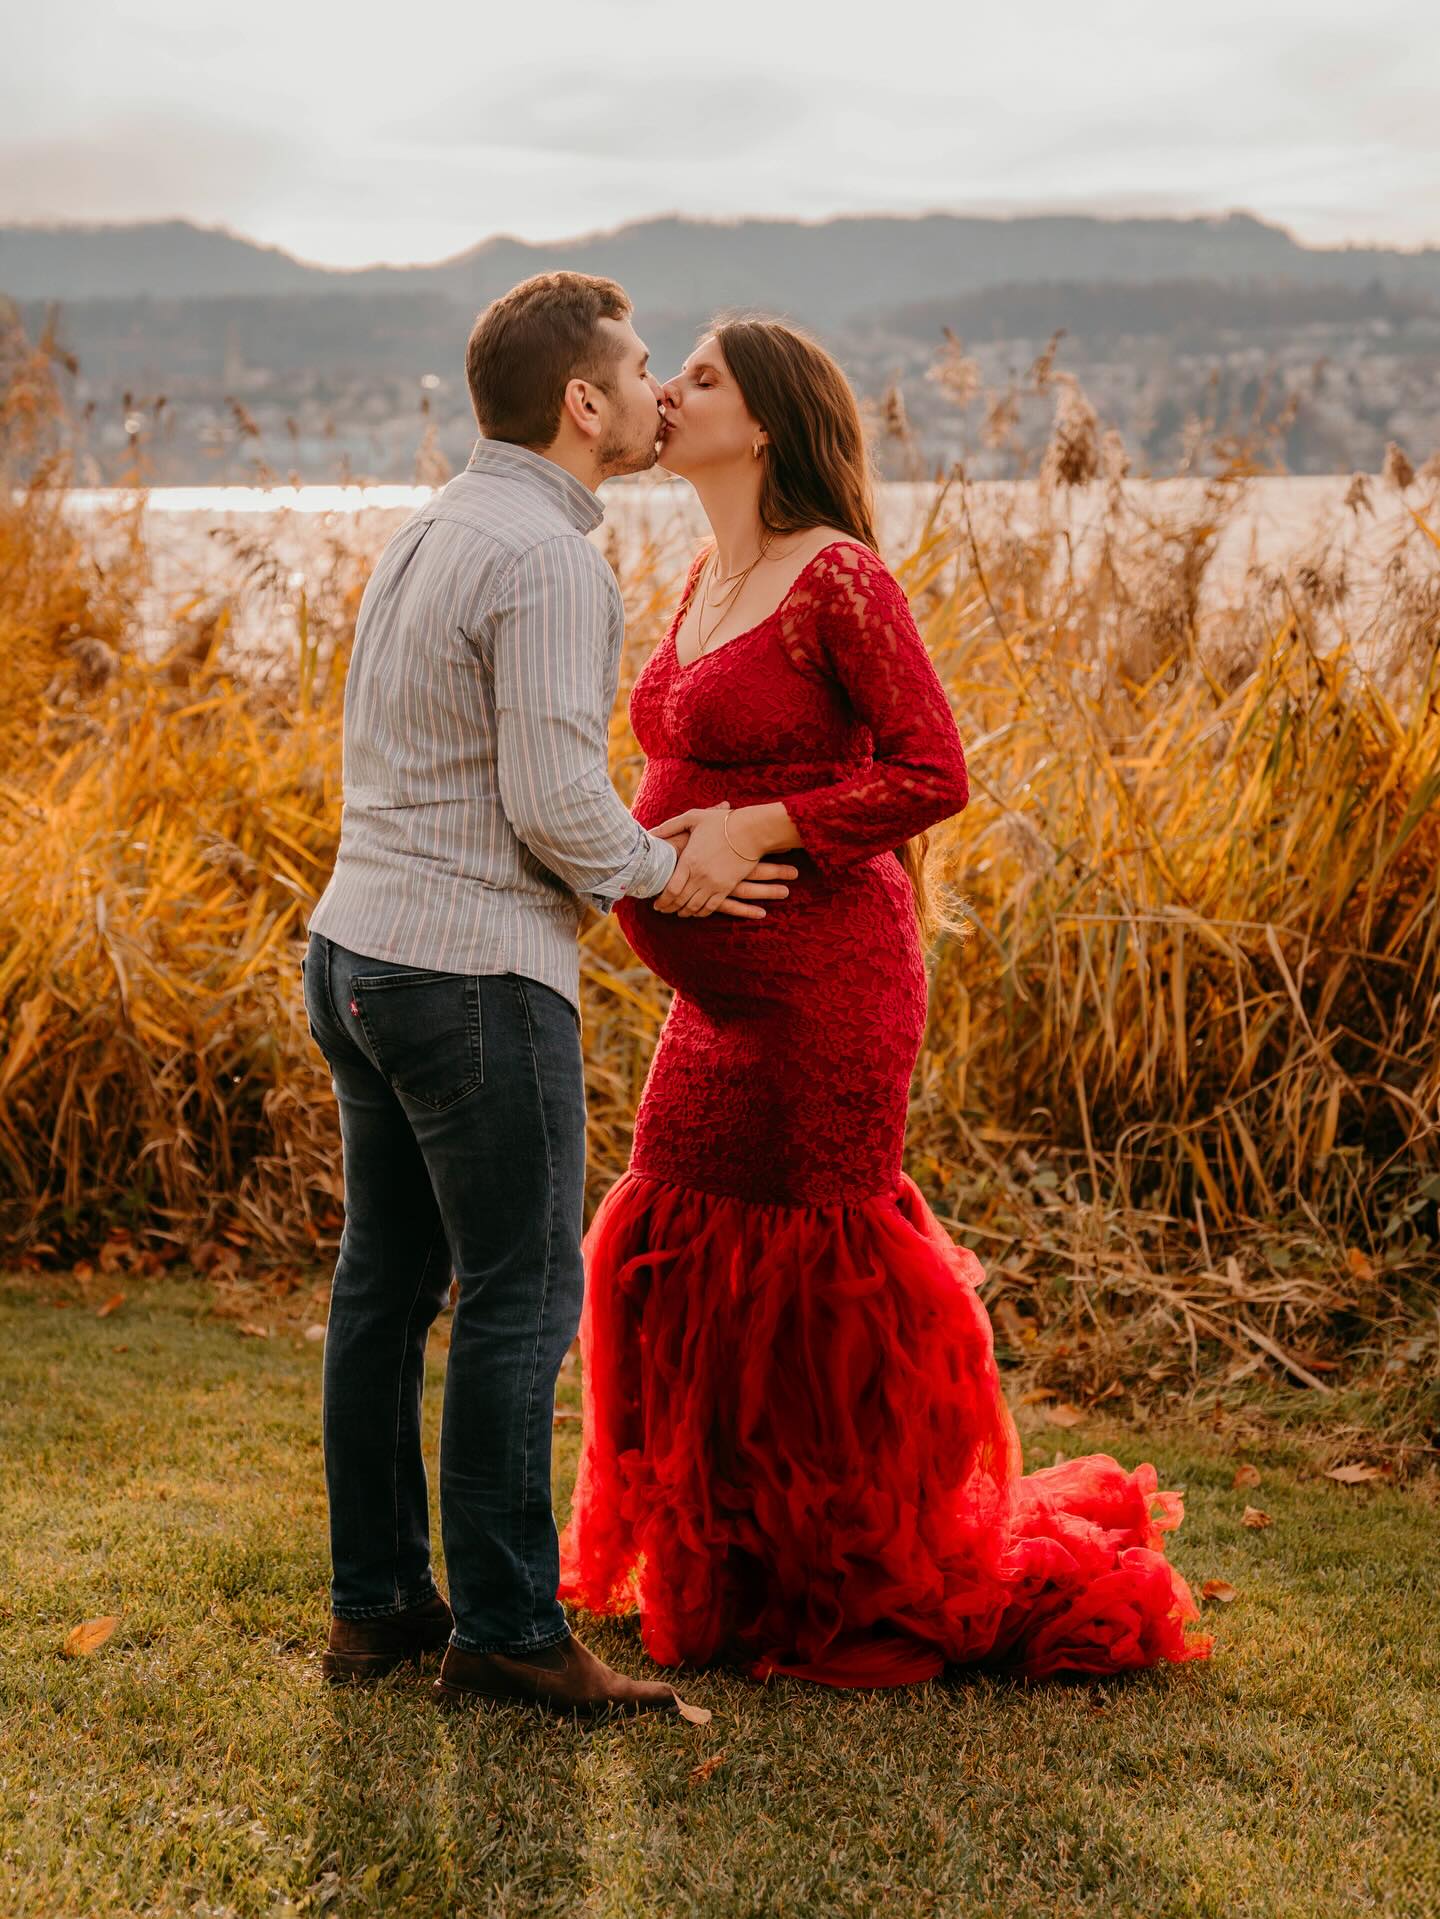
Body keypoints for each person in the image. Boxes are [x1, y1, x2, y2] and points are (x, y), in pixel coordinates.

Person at [558, 316, 1216, 1688]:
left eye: (701, 378)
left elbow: (933, 771)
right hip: (714, 1005)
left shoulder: (840, 579)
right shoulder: (701, 577)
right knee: (674, 1215)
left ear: (771, 423)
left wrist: (763, 829)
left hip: (830, 988)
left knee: (810, 1260)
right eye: (668, 373)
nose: (667, 394)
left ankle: (846, 1579)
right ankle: (730, 1570)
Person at [301, 272, 799, 1721]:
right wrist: (673, 871)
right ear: (583, 404)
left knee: (385, 1291)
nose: (658, 392)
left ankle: (380, 1608)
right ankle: (511, 1631)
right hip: (466, 975)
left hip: (356, 955)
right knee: (522, 1293)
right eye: (644, 370)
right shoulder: (552, 560)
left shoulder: (437, 526)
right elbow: (554, 801)